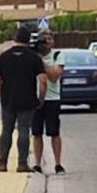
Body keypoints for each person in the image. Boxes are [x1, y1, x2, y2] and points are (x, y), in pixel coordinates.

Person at [0, 27, 47, 173]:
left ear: (14, 39)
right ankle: (22, 164)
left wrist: (2, 96)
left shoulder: (4, 57)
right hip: (27, 99)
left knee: (6, 131)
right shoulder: (34, 57)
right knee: (24, 130)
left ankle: (2, 163)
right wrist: (41, 98)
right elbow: (43, 80)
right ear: (29, 40)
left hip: (9, 100)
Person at [32, 31, 65, 175]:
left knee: (54, 132)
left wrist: (41, 63)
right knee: (36, 133)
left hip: (52, 99)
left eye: (49, 40)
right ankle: (37, 163)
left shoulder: (57, 56)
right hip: (35, 98)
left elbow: (54, 77)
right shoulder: (33, 56)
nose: (46, 43)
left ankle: (58, 163)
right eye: (43, 41)